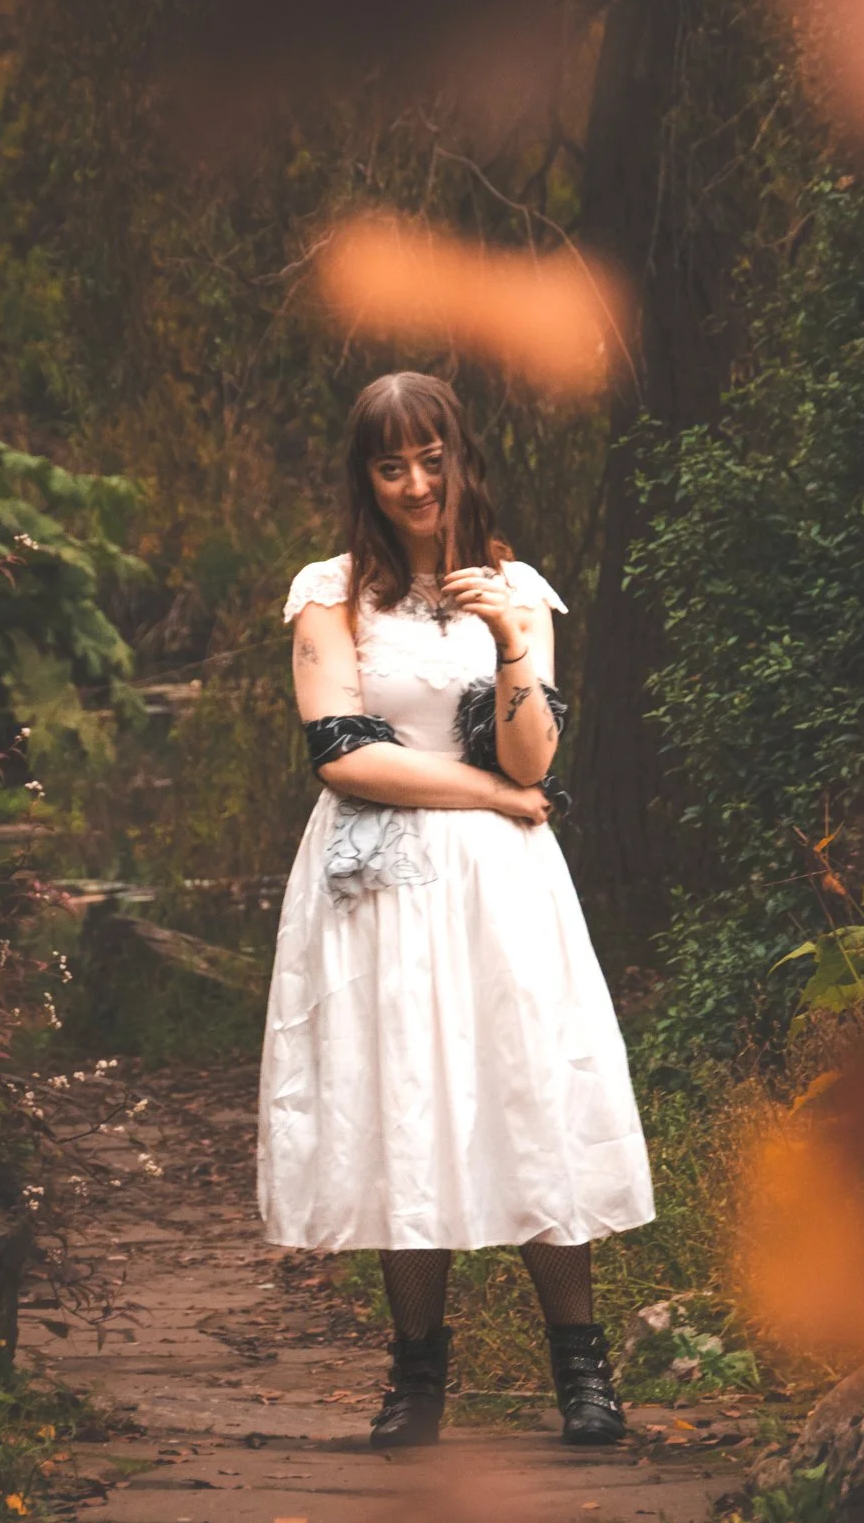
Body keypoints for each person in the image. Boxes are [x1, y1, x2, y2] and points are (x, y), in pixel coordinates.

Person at [256, 370, 655, 1449]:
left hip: (501, 885)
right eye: (393, 464)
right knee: (404, 1103)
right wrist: (496, 796)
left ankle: (583, 1371)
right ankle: (416, 1381)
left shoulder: (517, 586)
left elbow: (534, 751)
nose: (417, 482)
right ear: (366, 476)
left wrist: (518, 641)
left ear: (460, 456)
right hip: (382, 880)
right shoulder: (329, 593)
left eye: (433, 458)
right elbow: (342, 755)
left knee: (524, 1085)